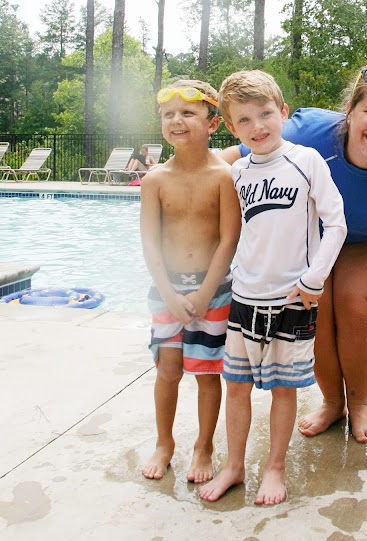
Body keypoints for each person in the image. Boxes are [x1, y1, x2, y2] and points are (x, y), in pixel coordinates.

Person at [219, 49, 367, 443]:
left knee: (357, 303)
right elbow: (233, 158)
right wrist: (180, 178)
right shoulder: (308, 136)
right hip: (318, 232)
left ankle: (358, 404)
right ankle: (332, 402)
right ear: (350, 111)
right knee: (314, 303)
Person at [199, 70, 347, 505]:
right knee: (236, 386)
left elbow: (336, 223)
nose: (257, 126)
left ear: (283, 112)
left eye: (265, 114)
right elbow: (231, 233)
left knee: (285, 388)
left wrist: (314, 279)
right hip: (244, 297)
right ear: (231, 127)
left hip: (292, 299)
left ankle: (275, 468)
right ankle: (234, 466)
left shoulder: (307, 161)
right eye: (244, 120)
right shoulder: (236, 172)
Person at [140, 79, 241, 483]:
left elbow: (229, 239)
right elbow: (149, 242)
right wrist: (168, 293)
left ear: (213, 123)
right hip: (166, 290)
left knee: (207, 372)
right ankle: (164, 443)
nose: (176, 120)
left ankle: (204, 446)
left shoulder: (224, 176)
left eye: (187, 113)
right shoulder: (155, 180)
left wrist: (204, 292)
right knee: (168, 370)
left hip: (213, 290)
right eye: (168, 114)